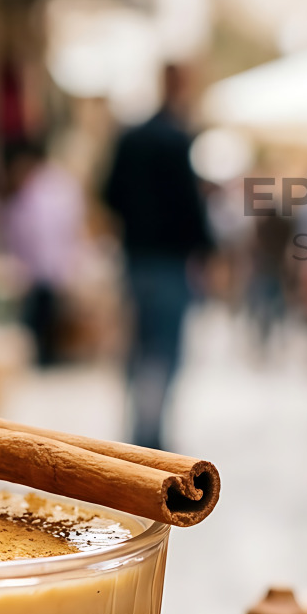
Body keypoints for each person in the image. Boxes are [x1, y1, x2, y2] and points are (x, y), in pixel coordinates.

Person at [101, 64, 212, 449]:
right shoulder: (177, 140)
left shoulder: (130, 139)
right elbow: (191, 209)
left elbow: (108, 194)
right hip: (168, 263)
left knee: (137, 349)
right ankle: (152, 435)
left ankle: (137, 431)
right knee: (164, 351)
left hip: (135, 259)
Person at [1, 139, 84, 367]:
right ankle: (43, 357)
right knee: (42, 314)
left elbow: (41, 232)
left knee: (45, 315)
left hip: (46, 266)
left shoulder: (45, 189)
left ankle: (45, 357)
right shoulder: (44, 187)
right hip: (41, 267)